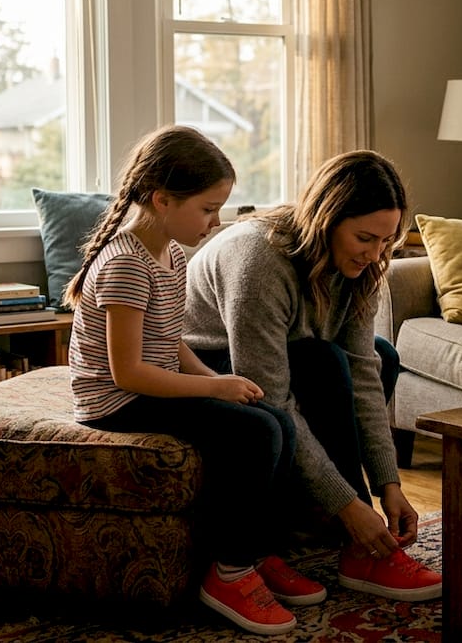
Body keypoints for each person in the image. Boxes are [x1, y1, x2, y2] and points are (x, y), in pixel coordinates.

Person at [65, 125, 307, 635]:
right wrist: (214, 388)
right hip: (117, 400)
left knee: (274, 418)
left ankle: (258, 552)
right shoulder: (127, 262)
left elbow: (171, 340)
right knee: (255, 432)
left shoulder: (171, 252)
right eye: (207, 208)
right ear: (161, 200)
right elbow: (127, 372)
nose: (215, 222)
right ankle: (229, 572)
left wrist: (224, 379)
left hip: (153, 382)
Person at [184, 150, 443, 603]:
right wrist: (350, 504)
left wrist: (389, 484)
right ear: (328, 220)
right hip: (207, 368)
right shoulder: (259, 260)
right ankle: (354, 541)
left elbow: (365, 374)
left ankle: (326, 518)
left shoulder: (365, 266)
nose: (376, 253)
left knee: (380, 354)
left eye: (386, 242)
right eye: (365, 237)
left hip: (290, 358)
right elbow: (273, 399)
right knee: (322, 360)